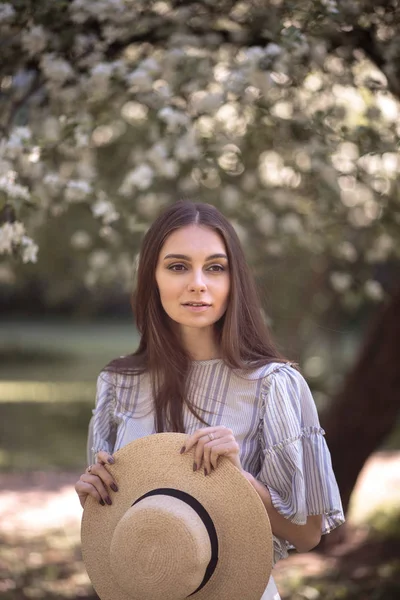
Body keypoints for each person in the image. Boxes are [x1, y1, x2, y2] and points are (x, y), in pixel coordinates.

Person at [75, 201, 345, 600]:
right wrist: (95, 500)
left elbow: (307, 534)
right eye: (178, 266)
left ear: (234, 280)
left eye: (215, 267)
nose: (198, 283)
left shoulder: (273, 384)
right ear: (152, 278)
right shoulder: (119, 383)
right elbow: (137, 525)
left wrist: (240, 483)